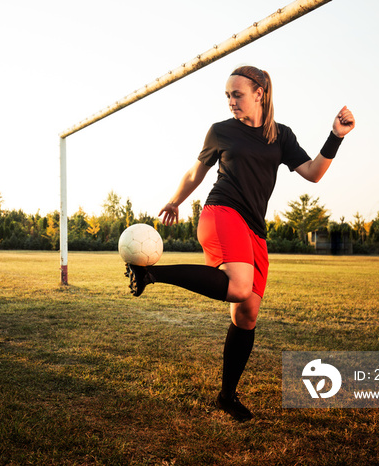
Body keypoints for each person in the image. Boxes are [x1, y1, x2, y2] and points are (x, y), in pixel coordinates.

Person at [125, 65, 355, 422]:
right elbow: (195, 173)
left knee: (246, 315)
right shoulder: (220, 132)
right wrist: (175, 200)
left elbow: (312, 173)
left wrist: (335, 135)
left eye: (238, 94)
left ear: (260, 93)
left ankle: (227, 396)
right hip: (221, 213)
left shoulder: (280, 136)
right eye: (228, 95)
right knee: (238, 287)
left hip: (254, 229)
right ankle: (149, 274)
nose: (232, 101)